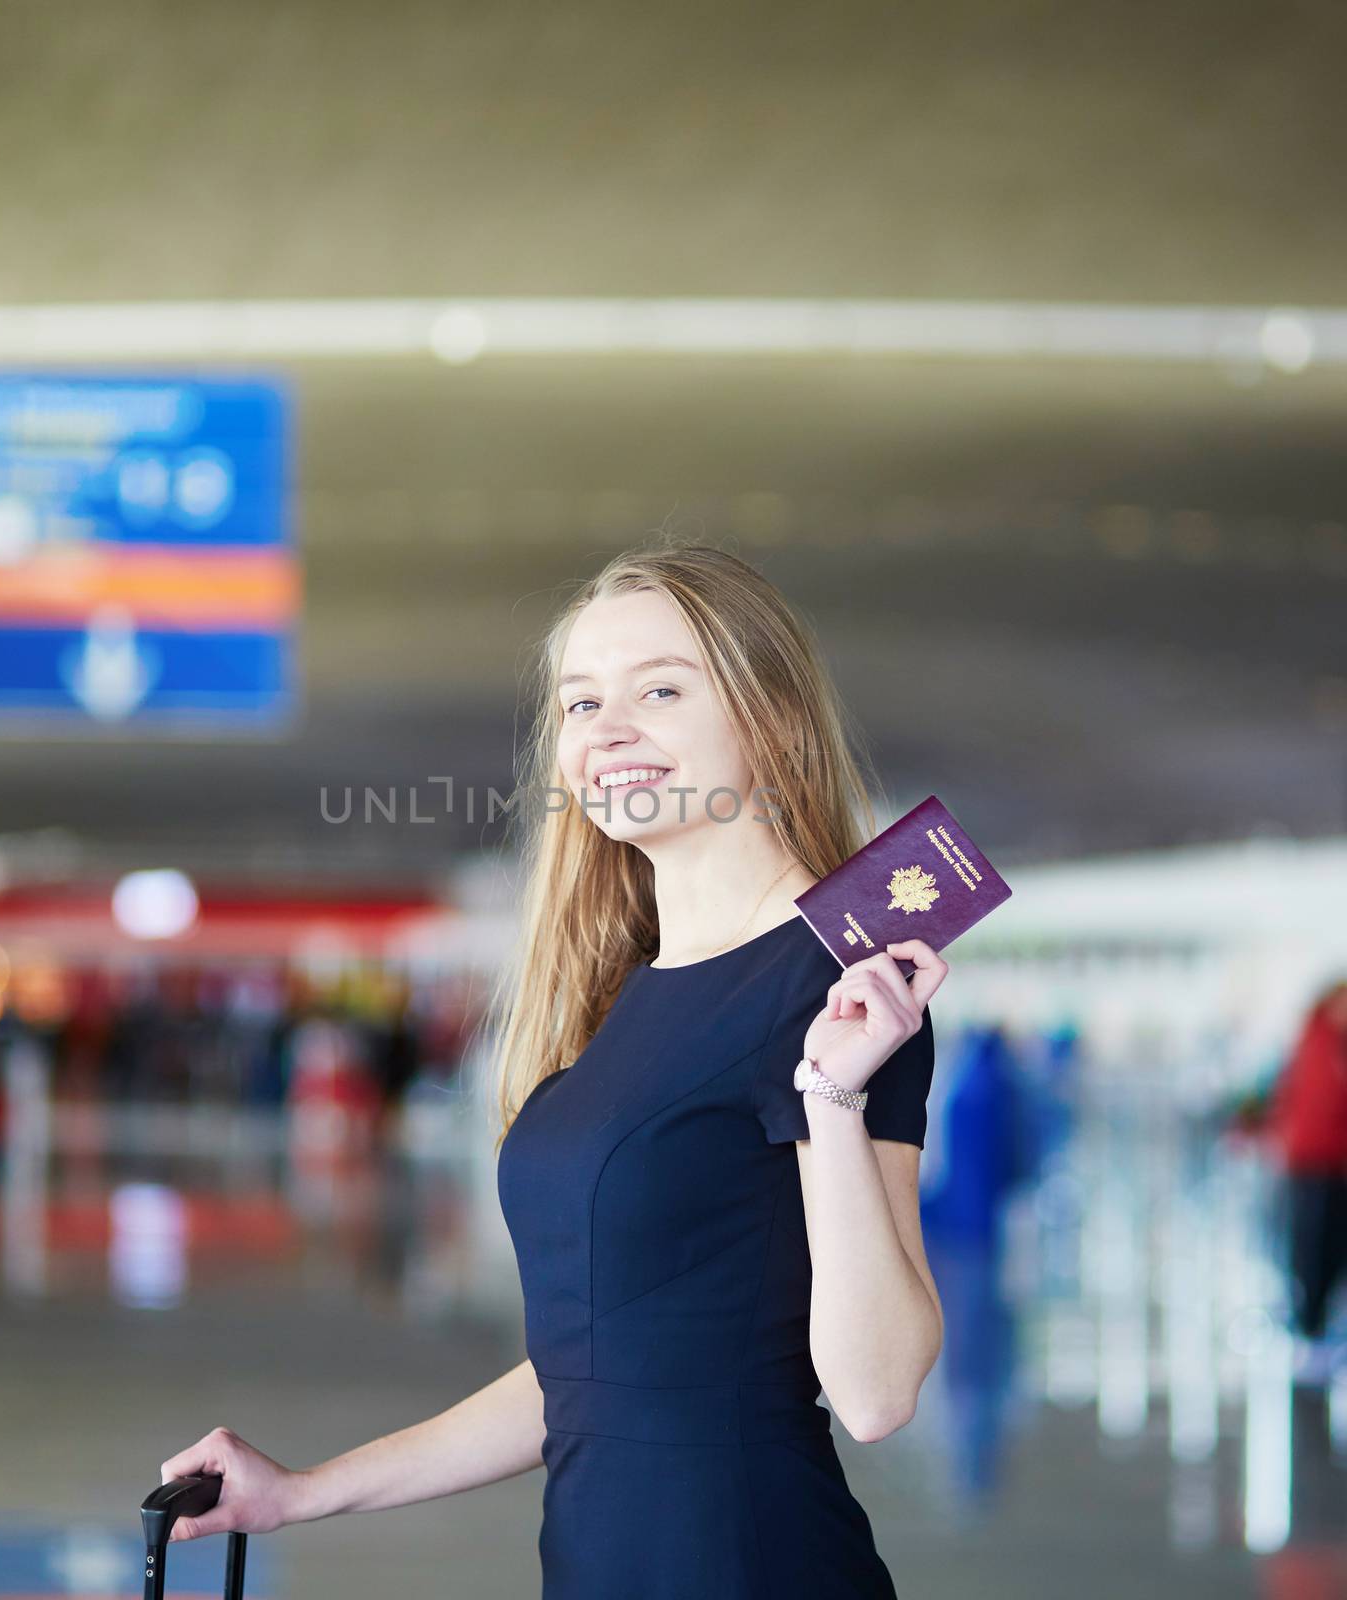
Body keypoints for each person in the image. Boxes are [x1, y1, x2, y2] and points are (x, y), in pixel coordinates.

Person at [155, 539, 946, 1598]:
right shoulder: (623, 991)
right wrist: (299, 1492)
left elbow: (877, 1390)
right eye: (580, 703)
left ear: (771, 717)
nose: (606, 730)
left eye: (659, 689)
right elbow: (586, 1383)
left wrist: (835, 1095)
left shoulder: (835, 982)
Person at [1264, 978, 1347, 1384]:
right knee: (1313, 1247)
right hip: (1314, 1162)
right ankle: (1310, 1332)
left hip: (1336, 1162)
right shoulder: (1316, 1043)